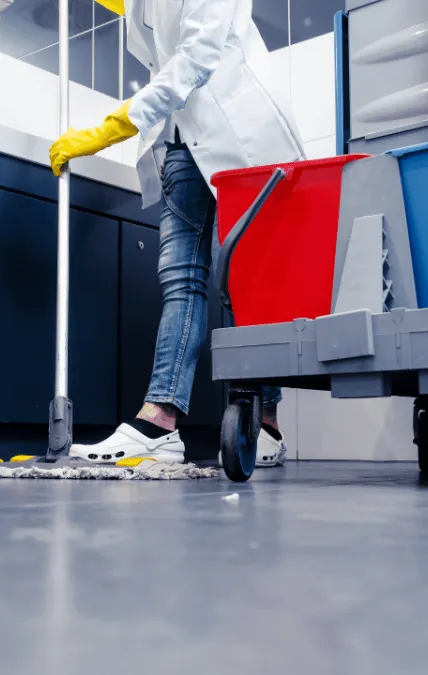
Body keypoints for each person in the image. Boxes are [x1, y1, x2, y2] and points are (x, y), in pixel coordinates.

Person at [49, 0, 305, 466]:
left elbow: (197, 56)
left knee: (252, 283)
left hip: (244, 138)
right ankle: (159, 422)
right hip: (182, 141)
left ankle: (266, 422)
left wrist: (117, 124)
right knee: (179, 276)